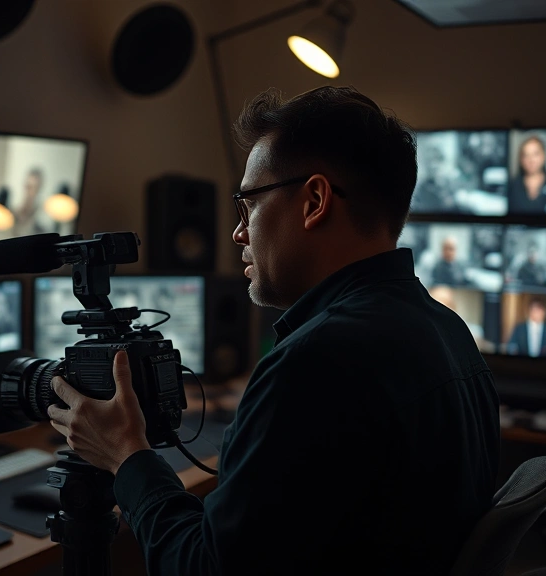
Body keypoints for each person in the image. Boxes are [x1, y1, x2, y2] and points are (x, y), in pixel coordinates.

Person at [43, 86, 501, 574]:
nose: (239, 233)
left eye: (248, 205)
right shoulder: (449, 331)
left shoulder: (316, 365)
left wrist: (127, 455)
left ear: (315, 201)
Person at [507, 136, 546, 214]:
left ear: (544, 156)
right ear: (521, 159)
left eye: (535, 154)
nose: (531, 160)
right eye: (526, 155)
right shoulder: (512, 186)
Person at [11, 168, 47, 237]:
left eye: (35, 188)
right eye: (28, 187)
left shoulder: (39, 223)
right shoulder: (11, 214)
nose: (30, 193)